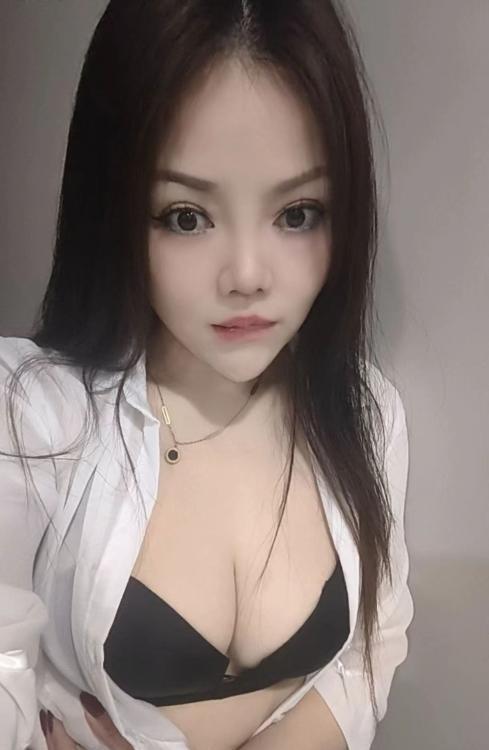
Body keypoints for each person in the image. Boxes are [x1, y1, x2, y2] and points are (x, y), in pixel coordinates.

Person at [0, 1, 414, 749]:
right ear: (116, 209)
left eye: (297, 213)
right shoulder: (27, 418)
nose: (247, 276)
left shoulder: (365, 413)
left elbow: (371, 646)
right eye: (186, 216)